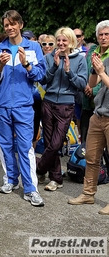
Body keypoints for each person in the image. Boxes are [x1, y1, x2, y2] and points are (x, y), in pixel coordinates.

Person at [0, 10, 46, 206]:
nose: (9, 28)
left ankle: (31, 189)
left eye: (13, 24)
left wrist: (27, 64)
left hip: (24, 105)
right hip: (1, 105)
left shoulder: (33, 47)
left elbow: (41, 75)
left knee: (25, 147)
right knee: (5, 145)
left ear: (20, 25)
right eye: (6, 25)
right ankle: (11, 180)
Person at [36, 27, 88, 191]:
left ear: (71, 41)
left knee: (56, 143)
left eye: (64, 40)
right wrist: (54, 67)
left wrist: (68, 71)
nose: (60, 43)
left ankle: (39, 169)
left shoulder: (79, 59)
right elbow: (43, 80)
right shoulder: (48, 57)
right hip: (48, 102)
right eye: (59, 40)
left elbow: (81, 84)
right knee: (49, 142)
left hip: (66, 105)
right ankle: (56, 178)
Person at [68, 20, 109, 215]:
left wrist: (102, 71)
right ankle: (88, 193)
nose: (103, 37)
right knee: (91, 158)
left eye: (107, 34)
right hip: (98, 114)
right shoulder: (99, 54)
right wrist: (94, 69)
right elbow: (93, 84)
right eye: (100, 34)